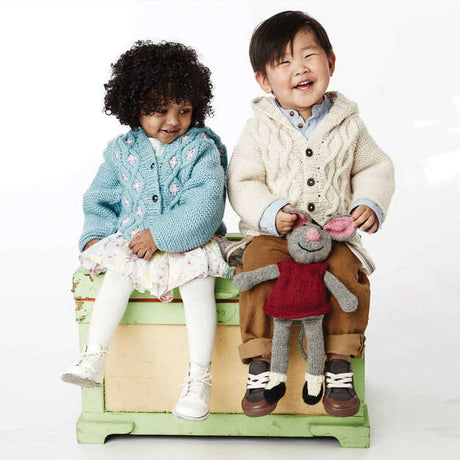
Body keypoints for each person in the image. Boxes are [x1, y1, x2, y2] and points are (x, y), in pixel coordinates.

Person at [228, 11, 394, 418]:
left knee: (348, 272)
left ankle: (339, 361)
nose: (300, 69)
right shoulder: (259, 128)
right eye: (284, 62)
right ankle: (260, 362)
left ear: (330, 62)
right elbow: (243, 179)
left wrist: (368, 202)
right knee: (258, 267)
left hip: (332, 235)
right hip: (274, 235)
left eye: (309, 56)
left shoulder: (348, 123)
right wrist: (270, 212)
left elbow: (375, 166)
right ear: (264, 81)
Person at [62, 41, 231, 422]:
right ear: (134, 105)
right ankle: (94, 355)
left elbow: (206, 203)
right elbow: (100, 197)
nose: (173, 121)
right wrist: (97, 234)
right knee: (117, 276)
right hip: (135, 242)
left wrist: (160, 235)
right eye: (159, 110)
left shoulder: (201, 149)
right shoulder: (121, 151)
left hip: (191, 243)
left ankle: (199, 377)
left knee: (199, 287)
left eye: (184, 110)